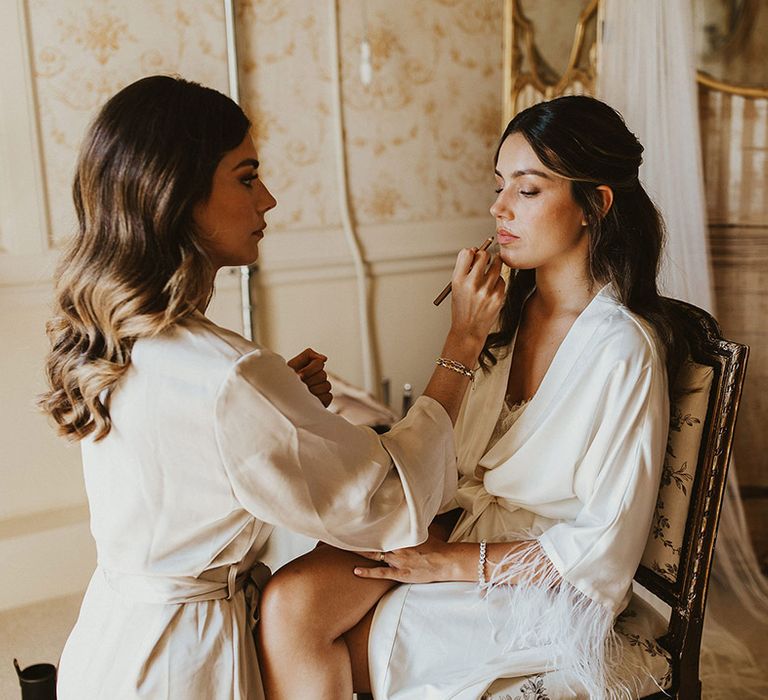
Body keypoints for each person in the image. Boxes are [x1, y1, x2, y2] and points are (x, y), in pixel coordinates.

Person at [38, 74, 506, 700]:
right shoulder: (228, 377)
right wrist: (462, 344)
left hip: (111, 648)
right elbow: (385, 505)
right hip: (184, 667)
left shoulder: (119, 335)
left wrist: (283, 408)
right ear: (176, 194)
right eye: (246, 176)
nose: (269, 200)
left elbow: (188, 461)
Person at [257, 95, 693, 700]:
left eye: (528, 190)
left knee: (347, 641)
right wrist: (463, 338)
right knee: (287, 602)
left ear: (596, 204)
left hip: (536, 582)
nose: (498, 207)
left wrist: (453, 564)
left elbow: (603, 550)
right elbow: (448, 457)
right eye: (499, 186)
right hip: (451, 522)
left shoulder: (623, 350)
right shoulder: (504, 315)